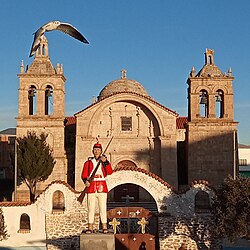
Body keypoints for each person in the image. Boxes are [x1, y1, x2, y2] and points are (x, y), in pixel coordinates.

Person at [81, 143, 113, 233]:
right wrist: (85, 181)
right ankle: (90, 226)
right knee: (91, 208)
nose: (96, 151)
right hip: (92, 186)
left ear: (101, 151)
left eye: (98, 150)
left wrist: (106, 162)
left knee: (103, 207)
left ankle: (104, 226)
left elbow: (110, 172)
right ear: (92, 151)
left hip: (102, 186)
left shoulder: (104, 162)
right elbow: (84, 174)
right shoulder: (88, 162)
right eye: (95, 150)